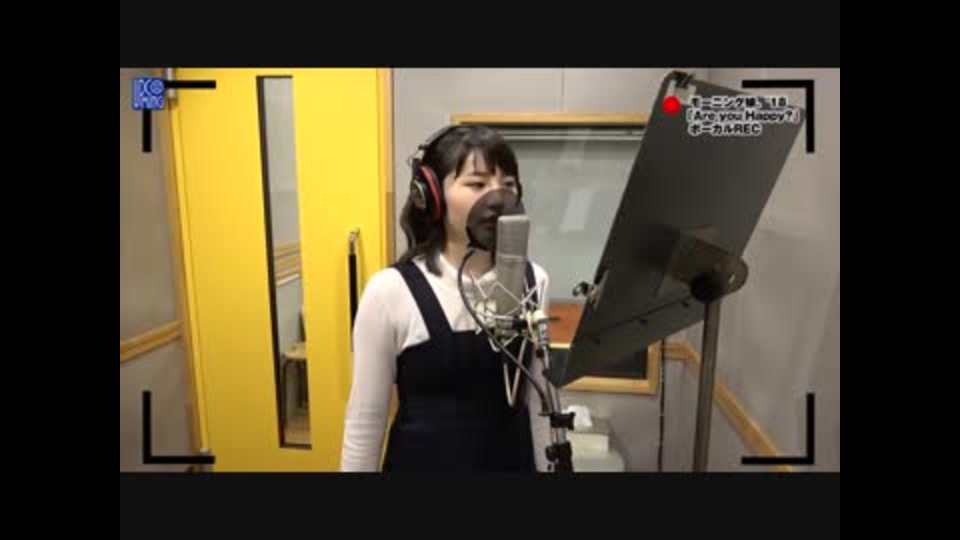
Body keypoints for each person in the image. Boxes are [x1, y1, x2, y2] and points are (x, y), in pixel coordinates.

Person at [340, 124, 551, 472]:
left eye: (508, 184)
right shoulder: (390, 292)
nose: (498, 197)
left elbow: (540, 406)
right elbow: (365, 421)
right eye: (477, 184)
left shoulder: (534, 281)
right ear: (432, 197)